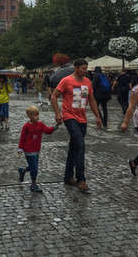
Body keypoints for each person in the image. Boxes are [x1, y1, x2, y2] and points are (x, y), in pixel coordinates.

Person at [51, 58, 102, 192]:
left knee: (74, 147)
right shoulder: (66, 80)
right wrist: (58, 113)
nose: (85, 71)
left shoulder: (87, 82)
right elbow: (53, 96)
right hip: (69, 117)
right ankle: (81, 179)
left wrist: (98, 116)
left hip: (82, 119)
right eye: (83, 68)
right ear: (76, 68)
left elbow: (91, 100)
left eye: (86, 68)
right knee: (80, 145)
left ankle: (68, 177)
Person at [18, 105, 58, 193]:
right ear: (29, 116)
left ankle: (23, 170)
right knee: (35, 168)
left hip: (36, 150)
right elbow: (22, 138)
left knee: (33, 166)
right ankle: (33, 184)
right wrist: (20, 148)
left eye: (37, 115)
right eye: (35, 115)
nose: (37, 117)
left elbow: (47, 130)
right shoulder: (26, 126)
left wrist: (55, 127)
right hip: (28, 150)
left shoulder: (40, 124)